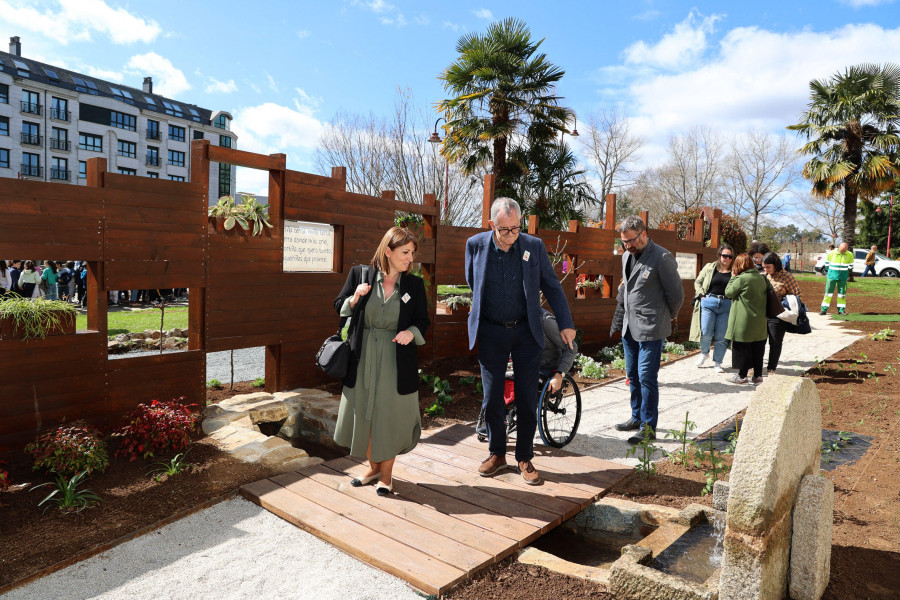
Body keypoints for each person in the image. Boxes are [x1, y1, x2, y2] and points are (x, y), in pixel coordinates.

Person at [466, 197, 575, 485]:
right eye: (505, 230)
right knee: (492, 398)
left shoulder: (532, 246)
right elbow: (472, 282)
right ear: (492, 225)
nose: (512, 236)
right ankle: (497, 454)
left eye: (516, 228)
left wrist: (566, 323)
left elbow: (552, 285)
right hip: (491, 331)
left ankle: (524, 457)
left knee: (527, 396)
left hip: (526, 331)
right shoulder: (475, 245)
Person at [332, 226, 429, 497]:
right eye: (405, 252)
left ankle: (386, 476)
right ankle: (373, 469)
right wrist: (355, 298)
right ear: (388, 251)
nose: (410, 258)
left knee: (389, 416)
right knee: (366, 413)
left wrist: (411, 332)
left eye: (412, 253)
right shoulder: (360, 275)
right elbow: (339, 305)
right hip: (362, 357)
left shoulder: (414, 285)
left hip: (395, 360)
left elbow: (423, 321)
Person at [614, 215, 684, 444]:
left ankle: (648, 426)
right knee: (632, 375)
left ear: (643, 234)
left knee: (646, 377)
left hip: (652, 328)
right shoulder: (626, 255)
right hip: (629, 327)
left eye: (631, 240)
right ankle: (636, 417)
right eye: (624, 242)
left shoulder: (662, 257)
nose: (627, 246)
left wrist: (666, 316)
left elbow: (676, 295)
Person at [475, 308, 578, 437]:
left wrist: (559, 374)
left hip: (545, 366)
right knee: (496, 378)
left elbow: (572, 348)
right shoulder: (511, 321)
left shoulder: (546, 322)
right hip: (522, 363)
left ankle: (504, 421)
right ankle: (497, 419)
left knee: (522, 381)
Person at [724, 254, 771, 384]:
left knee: (743, 348)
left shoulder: (741, 278)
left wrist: (732, 278)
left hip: (743, 321)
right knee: (758, 348)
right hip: (760, 320)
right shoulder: (762, 278)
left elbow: (728, 292)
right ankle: (757, 376)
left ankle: (742, 376)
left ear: (738, 265)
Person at [689, 244, 734, 373]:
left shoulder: (735, 271)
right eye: (725, 255)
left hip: (726, 304)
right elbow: (698, 281)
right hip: (709, 302)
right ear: (719, 256)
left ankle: (718, 362)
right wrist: (701, 295)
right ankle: (704, 352)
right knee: (706, 331)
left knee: (721, 335)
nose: (727, 259)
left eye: (730, 256)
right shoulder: (710, 267)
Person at [762, 252, 802, 375]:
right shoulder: (763, 275)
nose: (766, 270)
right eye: (764, 267)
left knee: (775, 341)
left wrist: (785, 304)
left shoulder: (787, 277)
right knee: (759, 341)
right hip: (762, 314)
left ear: (776, 265)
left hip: (778, 315)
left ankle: (771, 368)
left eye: (768, 267)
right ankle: (755, 367)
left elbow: (797, 295)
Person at [821, 242, 853, 315]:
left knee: (842, 294)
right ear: (839, 247)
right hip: (831, 277)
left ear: (847, 249)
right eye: (842, 250)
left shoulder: (850, 255)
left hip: (843, 277)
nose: (843, 252)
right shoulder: (831, 253)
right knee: (828, 293)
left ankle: (841, 310)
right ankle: (824, 309)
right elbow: (827, 264)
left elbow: (851, 266)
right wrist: (831, 272)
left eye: (844, 250)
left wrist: (844, 272)